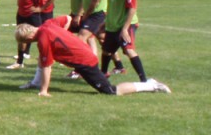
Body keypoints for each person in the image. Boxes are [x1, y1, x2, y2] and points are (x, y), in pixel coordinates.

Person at [15, 16, 171, 97]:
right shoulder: (47, 24)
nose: (26, 44)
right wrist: (65, 37)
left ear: (29, 37)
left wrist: (44, 90)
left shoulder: (43, 40)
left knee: (111, 91)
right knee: (42, 59)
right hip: (84, 53)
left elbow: (47, 67)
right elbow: (67, 19)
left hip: (85, 61)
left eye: (25, 42)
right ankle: (35, 83)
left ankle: (150, 85)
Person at [102, 0, 150, 81]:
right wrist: (106, 22)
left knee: (128, 50)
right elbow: (112, 6)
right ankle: (103, 75)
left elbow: (132, 8)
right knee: (106, 51)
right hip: (113, 25)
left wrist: (125, 29)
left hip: (126, 24)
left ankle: (144, 80)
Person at [8, 0, 53, 70]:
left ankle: (46, 59)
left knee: (41, 37)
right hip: (21, 12)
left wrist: (41, 9)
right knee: (21, 37)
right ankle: (20, 62)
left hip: (32, 14)